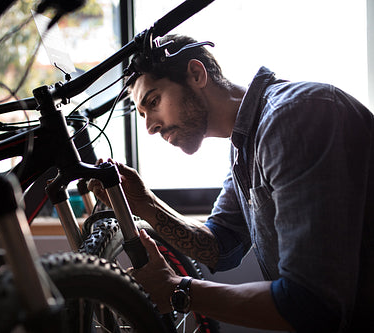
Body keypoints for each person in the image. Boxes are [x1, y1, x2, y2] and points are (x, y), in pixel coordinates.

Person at [88, 34, 374, 332]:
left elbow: (311, 304)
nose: (150, 127)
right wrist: (144, 203)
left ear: (196, 74)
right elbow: (221, 247)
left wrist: (177, 290)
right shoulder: (245, 145)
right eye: (143, 115)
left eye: (154, 101)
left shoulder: (292, 117)